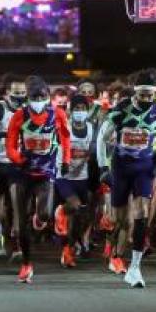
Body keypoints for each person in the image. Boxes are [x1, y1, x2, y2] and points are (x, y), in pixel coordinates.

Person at [97, 70, 156, 289]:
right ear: (136, 93)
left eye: (151, 96)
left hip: (145, 168)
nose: (147, 100)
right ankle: (114, 251)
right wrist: (104, 167)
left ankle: (135, 268)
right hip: (121, 168)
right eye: (143, 96)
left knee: (141, 215)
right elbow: (102, 139)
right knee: (122, 221)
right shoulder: (121, 110)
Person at [5, 76, 72, 282]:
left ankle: (39, 218)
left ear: (48, 97)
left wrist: (66, 160)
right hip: (22, 172)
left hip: (45, 172)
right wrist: (17, 159)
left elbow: (66, 138)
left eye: (42, 96)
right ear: (28, 97)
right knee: (20, 223)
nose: (38, 100)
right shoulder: (19, 115)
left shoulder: (57, 114)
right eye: (34, 96)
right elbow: (10, 143)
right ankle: (26, 265)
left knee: (44, 215)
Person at [0, 75, 27, 262]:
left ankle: (17, 246)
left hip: (17, 164)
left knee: (18, 204)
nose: (19, 96)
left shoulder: (29, 110)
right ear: (8, 92)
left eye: (22, 93)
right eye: (16, 92)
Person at [54, 93, 95, 267]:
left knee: (83, 217)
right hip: (64, 176)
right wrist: (64, 165)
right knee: (74, 205)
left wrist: (84, 161)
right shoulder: (64, 127)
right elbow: (56, 149)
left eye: (83, 109)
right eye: (77, 109)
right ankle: (60, 211)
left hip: (82, 177)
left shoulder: (91, 128)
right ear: (70, 111)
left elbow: (88, 151)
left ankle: (68, 250)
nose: (80, 112)